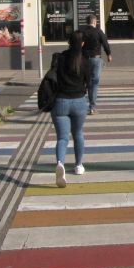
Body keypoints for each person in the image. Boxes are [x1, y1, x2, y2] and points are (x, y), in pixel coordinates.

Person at [51, 30, 91, 188]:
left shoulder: (59, 58)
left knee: (62, 138)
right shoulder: (85, 60)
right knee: (78, 134)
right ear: (82, 44)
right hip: (79, 101)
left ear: (68, 42)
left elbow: (53, 79)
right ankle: (79, 165)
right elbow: (89, 81)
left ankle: (60, 163)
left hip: (61, 101)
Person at [80, 14, 112, 115]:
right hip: (96, 59)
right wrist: (109, 54)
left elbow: (78, 44)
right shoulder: (98, 32)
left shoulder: (82, 32)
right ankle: (92, 108)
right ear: (94, 22)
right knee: (94, 84)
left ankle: (79, 105)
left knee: (83, 82)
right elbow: (105, 43)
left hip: (84, 60)